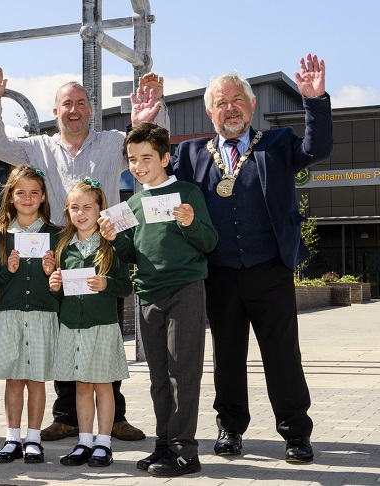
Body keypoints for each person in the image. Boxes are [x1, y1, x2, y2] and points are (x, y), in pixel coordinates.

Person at [0, 66, 164, 442]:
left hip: (102, 249)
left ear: (91, 109)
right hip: (60, 251)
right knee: (66, 329)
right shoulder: (39, 147)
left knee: (105, 328)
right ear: (55, 110)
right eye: (67, 104)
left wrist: (146, 121)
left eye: (81, 103)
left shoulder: (115, 142)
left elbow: (149, 148)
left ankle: (114, 418)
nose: (74, 110)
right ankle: (66, 416)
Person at [167, 54, 333, 464]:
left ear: (252, 105)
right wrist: (142, 121)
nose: (230, 107)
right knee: (227, 356)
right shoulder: (190, 154)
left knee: (282, 355)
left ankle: (296, 434)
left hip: (270, 270)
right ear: (210, 111)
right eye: (221, 102)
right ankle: (230, 430)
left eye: (238, 99)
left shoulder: (277, 144)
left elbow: (319, 147)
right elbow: (149, 169)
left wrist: (315, 100)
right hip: (218, 274)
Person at [102, 122, 218, 477]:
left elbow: (209, 242)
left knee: (183, 373)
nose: (138, 166)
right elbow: (134, 254)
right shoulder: (133, 204)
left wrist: (190, 223)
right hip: (147, 295)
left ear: (166, 158)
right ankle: (164, 444)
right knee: (157, 378)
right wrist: (113, 238)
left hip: (185, 290)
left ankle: (186, 451)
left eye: (146, 158)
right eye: (133, 159)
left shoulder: (187, 193)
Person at [48, 179, 133, 468]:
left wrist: (106, 283)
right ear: (68, 211)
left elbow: (125, 287)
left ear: (100, 210)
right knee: (82, 386)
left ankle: (104, 443)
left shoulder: (112, 246)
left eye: (88, 207)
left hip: (102, 327)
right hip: (72, 327)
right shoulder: (63, 248)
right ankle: (84, 442)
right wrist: (54, 284)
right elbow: (57, 293)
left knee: (103, 385)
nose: (81, 213)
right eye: (74, 207)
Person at [0, 165, 60, 464]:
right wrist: (7, 270)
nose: (27, 198)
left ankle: (34, 440)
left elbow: (63, 286)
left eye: (34, 192)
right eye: (20, 192)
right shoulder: (1, 235)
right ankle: (12, 438)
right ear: (11, 197)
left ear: (42, 198)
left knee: (36, 380)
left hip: (42, 315)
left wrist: (53, 273)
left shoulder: (56, 234)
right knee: (14, 379)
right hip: (11, 315)